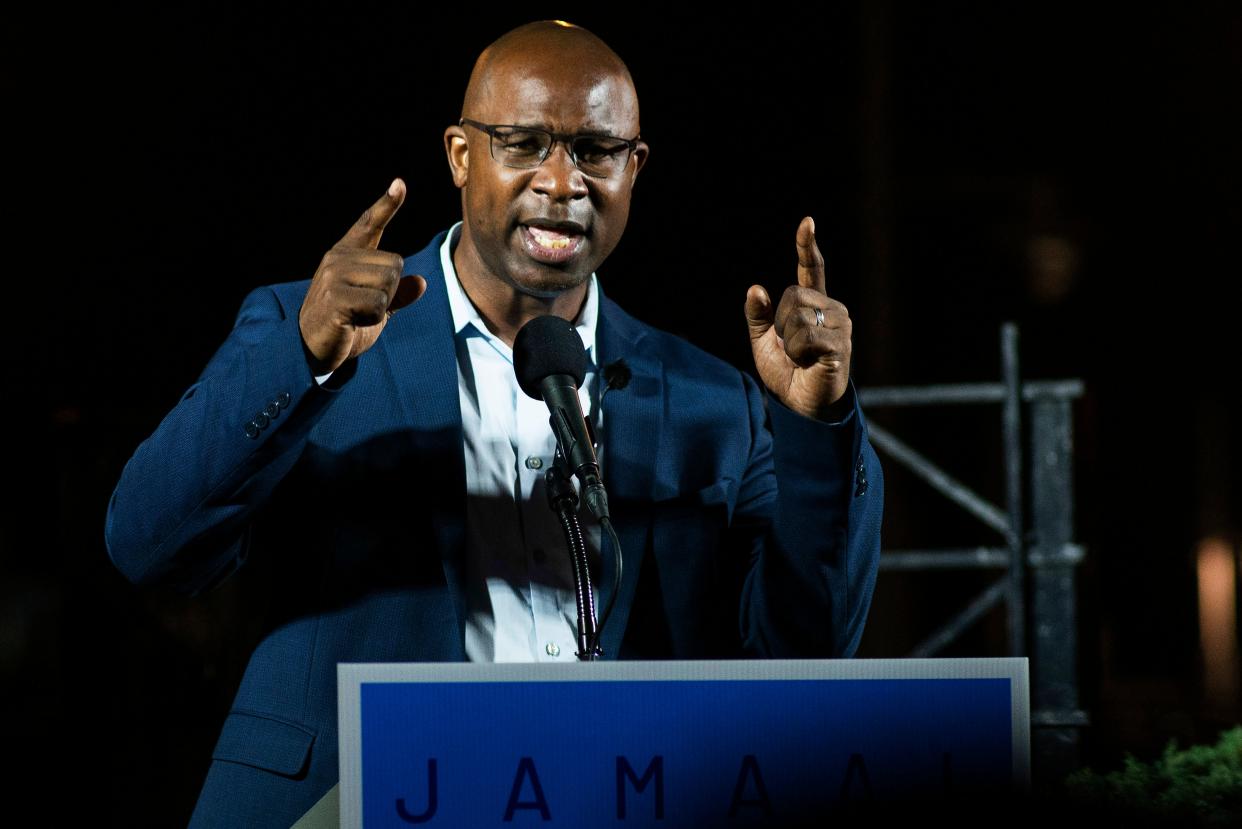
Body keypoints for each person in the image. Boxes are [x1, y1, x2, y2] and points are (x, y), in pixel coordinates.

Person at [106, 20, 884, 828]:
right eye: (523, 143)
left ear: (634, 168)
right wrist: (307, 357)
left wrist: (816, 427)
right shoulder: (316, 330)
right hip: (348, 804)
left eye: (595, 150)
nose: (561, 181)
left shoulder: (707, 399)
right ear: (459, 156)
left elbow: (805, 657)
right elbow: (148, 545)